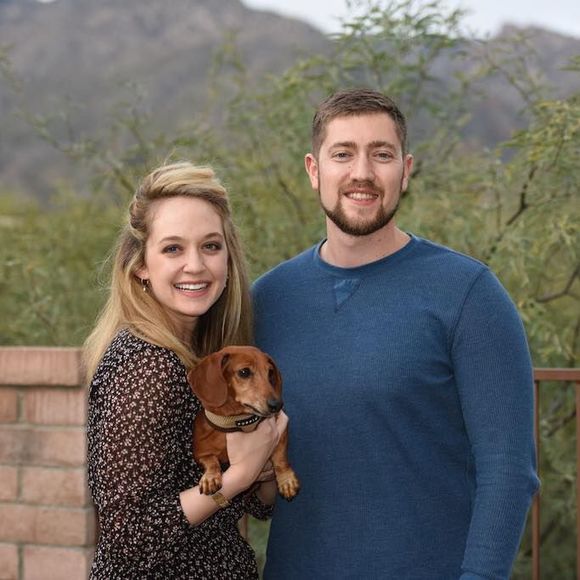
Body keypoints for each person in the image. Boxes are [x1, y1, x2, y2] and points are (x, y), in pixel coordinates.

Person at [253, 88, 540, 579]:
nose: (362, 172)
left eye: (381, 154)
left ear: (405, 171)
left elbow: (508, 469)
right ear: (313, 170)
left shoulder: (468, 294)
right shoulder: (269, 299)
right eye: (343, 154)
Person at [85, 162, 286, 579]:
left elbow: (257, 504)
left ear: (228, 259)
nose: (195, 265)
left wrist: (265, 460)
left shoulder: (203, 359)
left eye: (210, 246)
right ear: (141, 265)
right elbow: (128, 539)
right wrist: (239, 476)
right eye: (173, 249)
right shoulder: (147, 366)